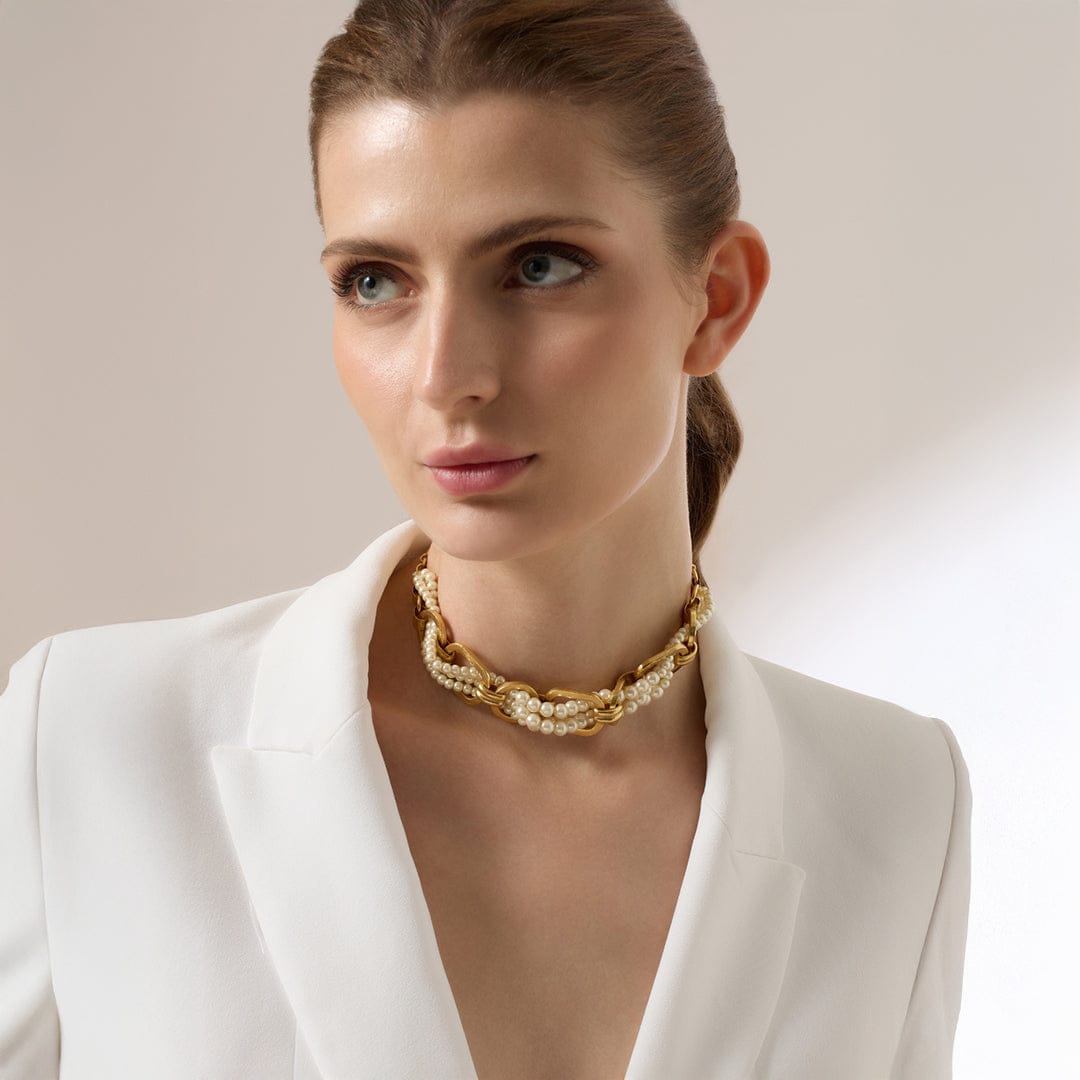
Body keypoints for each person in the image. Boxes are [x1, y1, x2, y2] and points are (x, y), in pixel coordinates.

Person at [0, 1, 972, 1077]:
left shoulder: (895, 805)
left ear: (717, 299)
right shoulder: (95, 740)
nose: (446, 375)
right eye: (376, 283)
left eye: (540, 266)